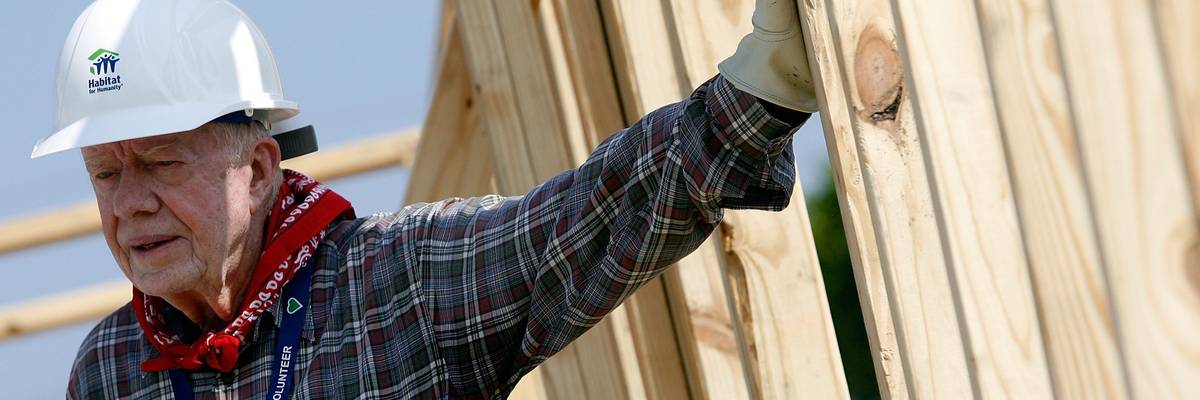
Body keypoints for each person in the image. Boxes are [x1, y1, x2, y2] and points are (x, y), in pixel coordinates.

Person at [45, 0, 817, 398]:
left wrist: (763, 90)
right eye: (105, 174)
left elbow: (585, 219)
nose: (130, 204)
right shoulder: (110, 372)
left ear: (257, 167)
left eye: (160, 163)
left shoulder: (402, 282)